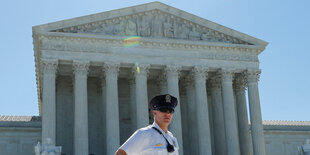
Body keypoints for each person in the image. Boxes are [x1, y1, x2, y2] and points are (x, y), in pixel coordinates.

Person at [115, 94, 179, 155]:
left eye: (171, 111)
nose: (167, 114)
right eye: (163, 110)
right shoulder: (144, 133)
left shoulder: (171, 137)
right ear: (154, 113)